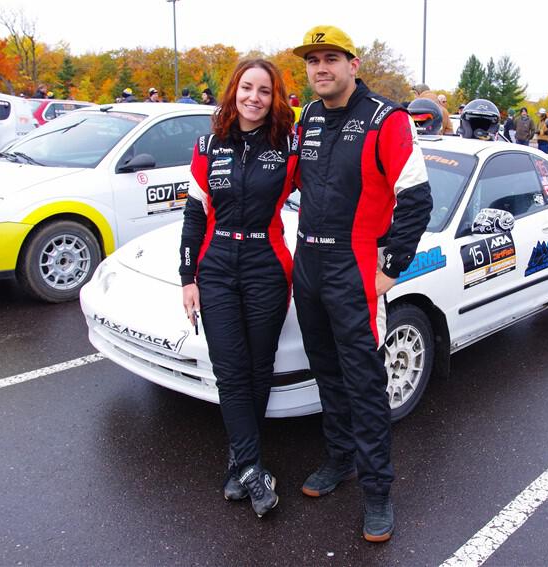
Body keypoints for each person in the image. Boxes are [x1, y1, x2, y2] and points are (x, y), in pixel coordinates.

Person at [291, 25, 432, 543]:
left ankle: (377, 492)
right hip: (309, 266)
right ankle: (339, 460)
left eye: (330, 58)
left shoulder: (386, 120)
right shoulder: (306, 117)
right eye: (312, 60)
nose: (320, 68)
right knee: (325, 371)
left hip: (355, 273)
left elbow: (416, 198)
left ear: (353, 64)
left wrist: (391, 266)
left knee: (366, 384)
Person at [179, 58, 295, 518]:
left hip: (267, 263)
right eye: (247, 88)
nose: (254, 97)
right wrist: (188, 277)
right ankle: (252, 470)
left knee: (257, 367)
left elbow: (328, 190)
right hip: (218, 265)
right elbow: (193, 214)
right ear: (234, 91)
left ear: (274, 98)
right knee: (229, 368)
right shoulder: (208, 145)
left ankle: (239, 463)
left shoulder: (290, 144)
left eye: (264, 91)